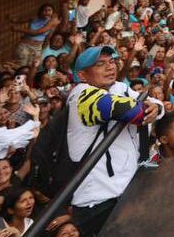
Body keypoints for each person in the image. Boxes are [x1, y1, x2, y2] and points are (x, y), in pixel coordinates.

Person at [66, 46, 159, 236]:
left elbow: (154, 104)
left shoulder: (119, 87)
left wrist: (156, 108)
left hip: (125, 191)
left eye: (111, 61)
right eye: (100, 64)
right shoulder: (81, 95)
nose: (110, 67)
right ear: (83, 75)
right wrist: (146, 109)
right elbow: (132, 111)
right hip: (98, 200)